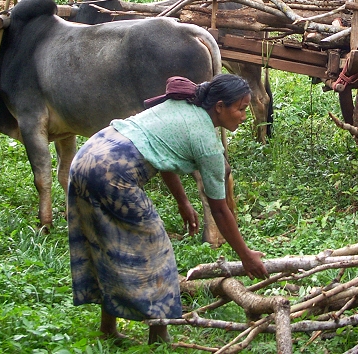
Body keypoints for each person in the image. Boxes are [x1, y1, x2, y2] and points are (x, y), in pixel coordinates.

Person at [67, 74, 268, 344]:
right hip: (113, 171)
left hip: (87, 155)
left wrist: (183, 201)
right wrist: (246, 255)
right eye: (241, 109)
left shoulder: (184, 105)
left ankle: (108, 329)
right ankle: (159, 339)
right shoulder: (208, 144)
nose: (244, 116)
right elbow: (220, 210)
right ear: (220, 107)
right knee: (157, 253)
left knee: (104, 242)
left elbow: (161, 151)